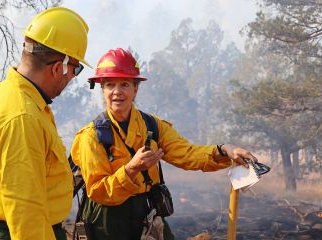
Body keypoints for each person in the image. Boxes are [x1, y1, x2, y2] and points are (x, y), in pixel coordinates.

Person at [70, 48, 259, 240]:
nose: (117, 92)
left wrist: (224, 150)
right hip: (106, 221)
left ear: (135, 89)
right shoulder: (91, 137)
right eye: (110, 85)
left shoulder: (152, 126)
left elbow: (187, 154)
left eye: (125, 84)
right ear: (102, 89)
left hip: (146, 212)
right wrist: (132, 169)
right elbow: (98, 191)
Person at [0, 6, 90, 240]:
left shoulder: (5, 95)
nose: (72, 78)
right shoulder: (23, 116)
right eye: (75, 69)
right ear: (59, 67)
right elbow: (25, 210)